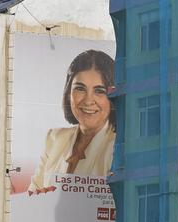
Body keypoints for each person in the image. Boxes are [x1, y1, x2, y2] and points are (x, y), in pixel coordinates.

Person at [28, 49, 116, 194]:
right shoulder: (54, 138)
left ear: (113, 96)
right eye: (80, 89)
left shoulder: (118, 147)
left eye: (99, 91)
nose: (88, 101)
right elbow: (32, 195)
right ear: (69, 92)